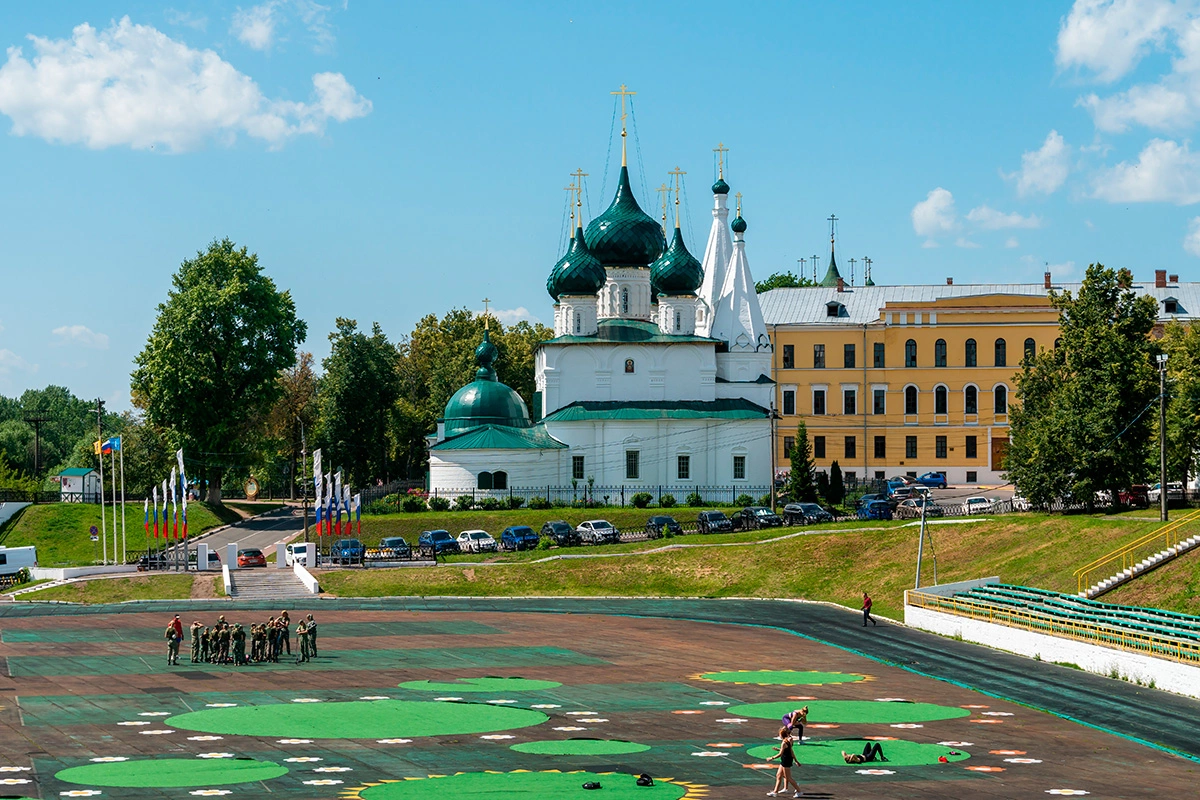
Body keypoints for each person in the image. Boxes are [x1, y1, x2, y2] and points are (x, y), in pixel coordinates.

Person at [764, 726, 802, 797]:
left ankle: (799, 791)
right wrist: (796, 760)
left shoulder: (784, 743)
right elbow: (789, 751)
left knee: (788, 778)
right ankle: (775, 792)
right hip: (785, 760)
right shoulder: (787, 741)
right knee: (778, 775)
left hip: (786, 761)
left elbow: (781, 754)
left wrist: (772, 758)